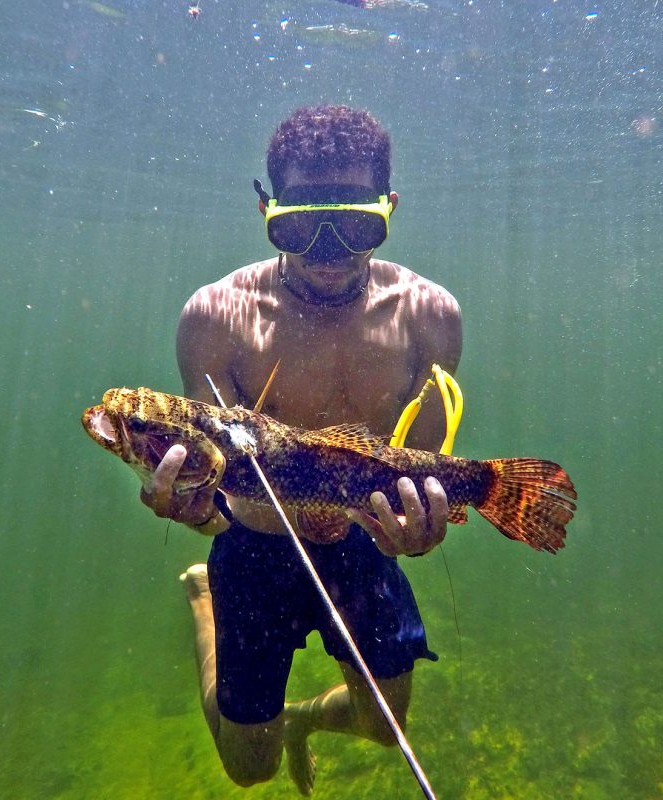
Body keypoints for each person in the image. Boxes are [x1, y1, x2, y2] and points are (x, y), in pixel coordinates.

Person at [140, 105, 463, 794]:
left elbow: (417, 469)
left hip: (361, 542)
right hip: (253, 547)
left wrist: (418, 530)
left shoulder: (430, 317)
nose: (327, 251)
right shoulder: (214, 318)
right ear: (267, 209)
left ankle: (300, 720)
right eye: (300, 226)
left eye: (354, 226)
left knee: (385, 728)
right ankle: (204, 598)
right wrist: (193, 510)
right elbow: (212, 481)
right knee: (248, 769)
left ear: (389, 208)